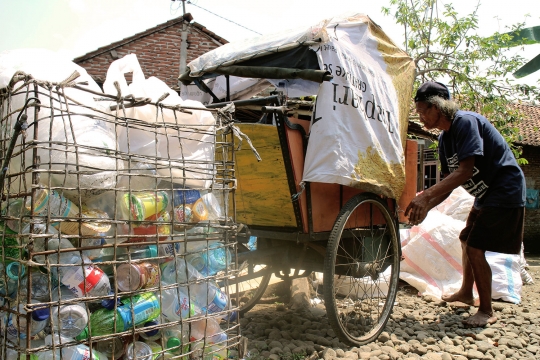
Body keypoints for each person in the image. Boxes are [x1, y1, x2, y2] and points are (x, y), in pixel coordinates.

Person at [405, 81, 526, 328]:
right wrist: (426, 206)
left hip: (504, 189)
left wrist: (425, 196)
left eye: (423, 110)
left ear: (438, 107)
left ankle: (486, 310)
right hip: (486, 194)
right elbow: (450, 183)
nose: (421, 116)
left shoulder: (465, 122)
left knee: (475, 246)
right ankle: (466, 293)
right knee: (465, 239)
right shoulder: (443, 141)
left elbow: (465, 170)